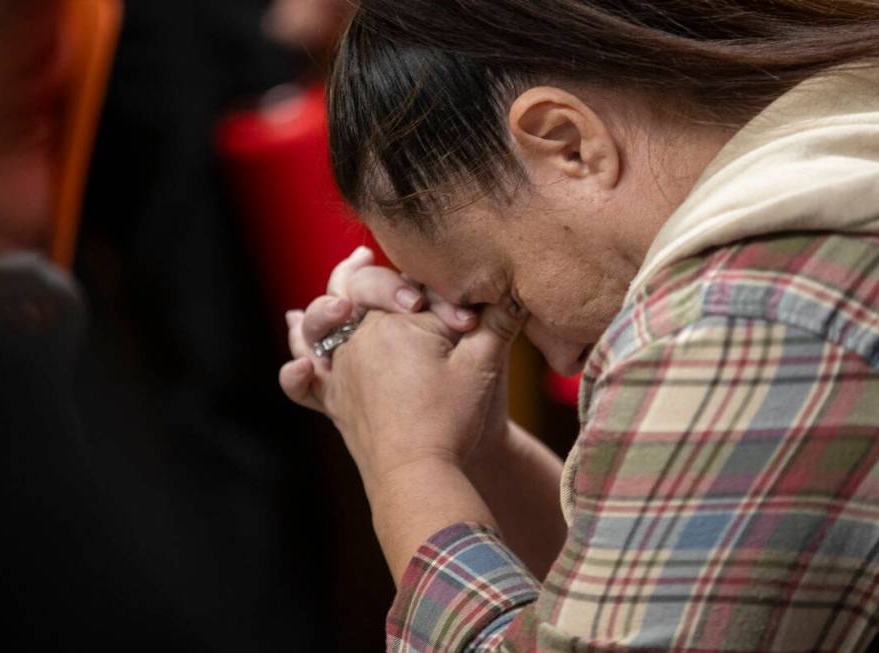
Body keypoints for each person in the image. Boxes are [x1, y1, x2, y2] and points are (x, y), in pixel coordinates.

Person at [280, 2, 879, 651]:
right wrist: (474, 445)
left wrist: (404, 461)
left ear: (567, 142)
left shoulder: (745, 311)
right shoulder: (837, 160)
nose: (562, 359)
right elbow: (635, 601)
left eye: (506, 296)